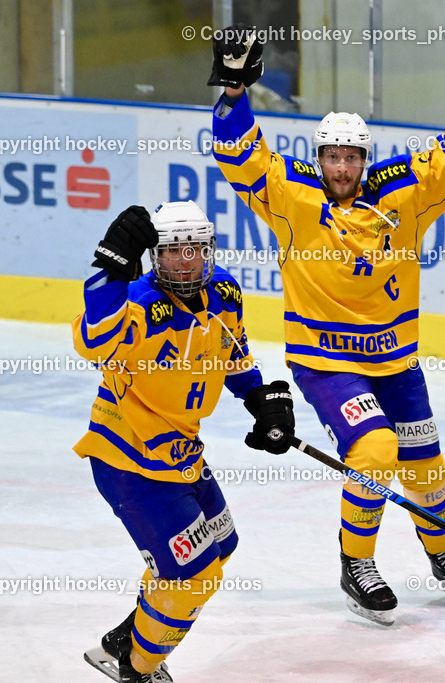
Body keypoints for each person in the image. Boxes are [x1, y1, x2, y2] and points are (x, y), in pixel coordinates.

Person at [205, 24, 445, 625]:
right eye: (332, 156)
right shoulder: (291, 198)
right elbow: (238, 152)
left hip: (397, 360)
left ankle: (443, 557)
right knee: (376, 451)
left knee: (425, 463)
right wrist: (233, 91)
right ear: (318, 157)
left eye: (352, 157)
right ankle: (357, 564)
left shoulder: (401, 193)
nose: (342, 167)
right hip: (327, 363)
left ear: (364, 158)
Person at [74, 201, 295, 683]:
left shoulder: (225, 294)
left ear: (208, 249)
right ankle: (136, 668)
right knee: (194, 576)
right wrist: (109, 272)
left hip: (181, 453)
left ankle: (126, 639)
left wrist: (261, 397)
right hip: (129, 461)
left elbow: (233, 354)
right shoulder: (134, 301)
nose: (185, 260)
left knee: (222, 544)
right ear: (156, 256)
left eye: (194, 248)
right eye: (172, 251)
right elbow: (94, 342)